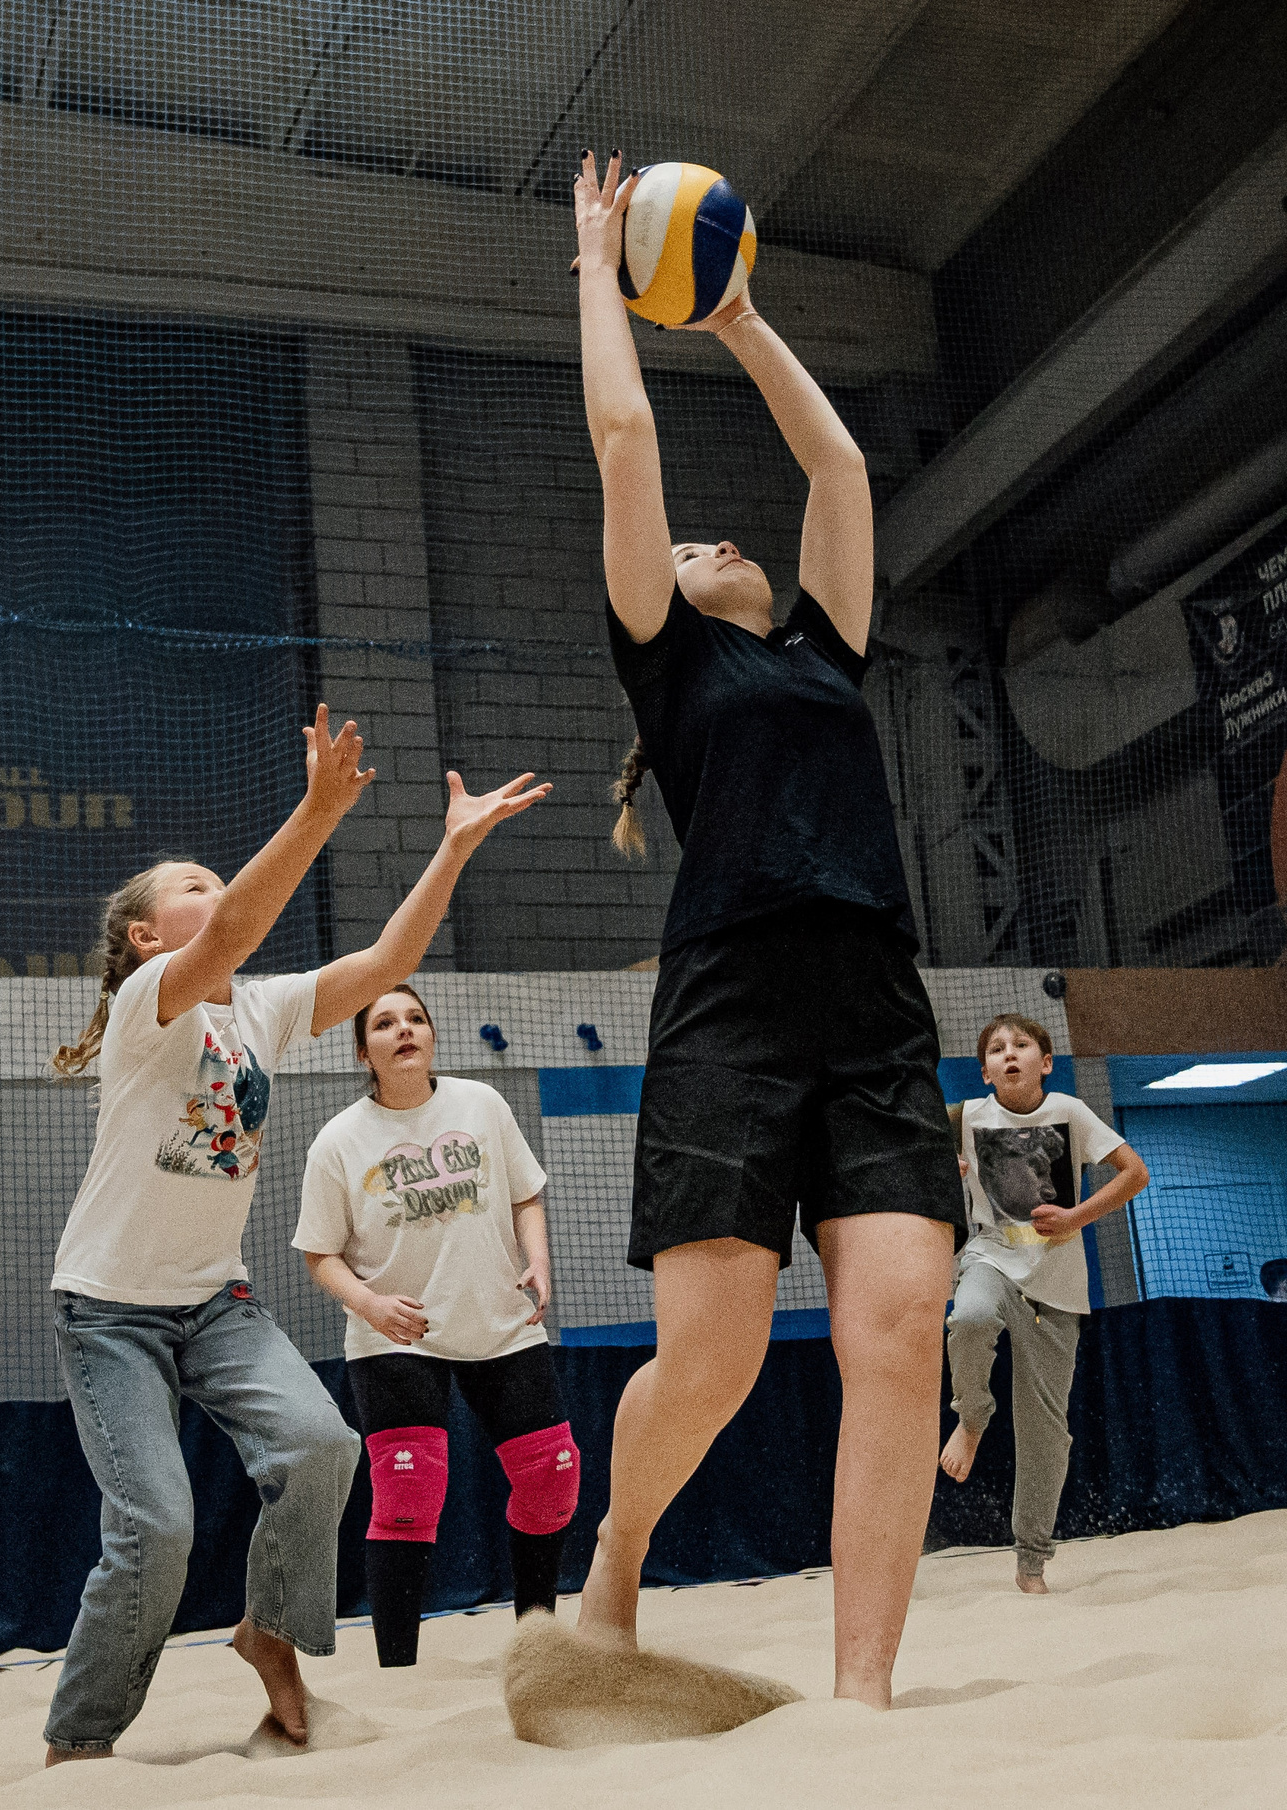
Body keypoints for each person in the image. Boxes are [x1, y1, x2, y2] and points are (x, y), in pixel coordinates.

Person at [569, 150, 965, 1707]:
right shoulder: (668, 662)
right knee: (717, 1362)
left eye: (717, 536)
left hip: (870, 996)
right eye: (685, 541)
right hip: (729, 1003)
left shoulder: (823, 648)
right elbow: (622, 430)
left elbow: (844, 472)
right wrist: (597, 275)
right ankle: (620, 1549)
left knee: (901, 1331)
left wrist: (735, 315)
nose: (708, 534)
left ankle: (863, 1694)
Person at [42, 708, 546, 1762]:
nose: (209, 887)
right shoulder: (150, 1003)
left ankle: (267, 1631)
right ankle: (79, 1749)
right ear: (143, 937)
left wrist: (450, 848)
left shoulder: (260, 1012)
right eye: (188, 883)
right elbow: (232, 932)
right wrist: (317, 812)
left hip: (215, 1303)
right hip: (108, 1312)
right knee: (158, 1531)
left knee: (321, 1446)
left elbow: (390, 958)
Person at [294, 984, 576, 1668]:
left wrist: (537, 1262)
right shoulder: (339, 1140)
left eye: (415, 1018)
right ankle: (398, 1669)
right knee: (406, 1500)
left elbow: (524, 1193)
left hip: (501, 1325)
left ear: (432, 1035)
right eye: (385, 1023)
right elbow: (318, 1256)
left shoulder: (482, 1104)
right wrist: (369, 1304)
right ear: (365, 1050)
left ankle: (535, 1641)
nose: (404, 1030)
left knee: (554, 1476)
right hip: (397, 1338)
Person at [938, 1014, 1147, 1595]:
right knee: (970, 1317)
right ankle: (973, 1414)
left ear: (1044, 1062)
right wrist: (943, 1170)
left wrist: (1078, 1217)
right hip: (991, 1256)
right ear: (983, 1070)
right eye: (996, 1049)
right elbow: (916, 1164)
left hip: (1057, 1279)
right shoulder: (966, 1118)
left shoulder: (1070, 1112)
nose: (1010, 1055)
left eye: (1022, 1046)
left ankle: (1031, 1561)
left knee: (1045, 1429)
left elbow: (1135, 1172)